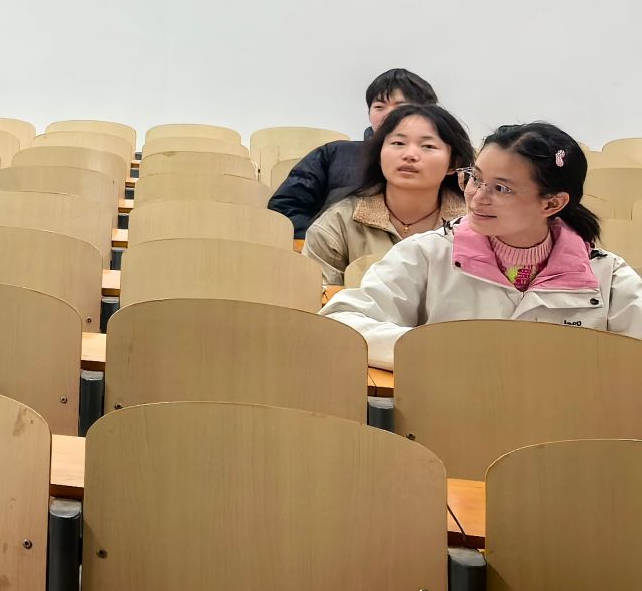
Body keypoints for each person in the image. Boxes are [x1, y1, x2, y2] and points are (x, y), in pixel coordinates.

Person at [326, 122, 642, 368]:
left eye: (501, 188)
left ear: (552, 203)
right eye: (475, 178)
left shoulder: (605, 274)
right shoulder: (426, 253)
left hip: (565, 424)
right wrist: (440, 350)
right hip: (448, 418)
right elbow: (341, 324)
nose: (477, 197)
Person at [304, 103, 473, 285]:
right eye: (398, 143)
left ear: (453, 163)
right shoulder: (338, 222)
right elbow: (317, 296)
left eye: (428, 146)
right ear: (379, 155)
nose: (410, 154)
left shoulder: (473, 223)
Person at [270, 67, 438, 234]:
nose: (387, 115)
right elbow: (285, 207)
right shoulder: (334, 154)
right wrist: (326, 241)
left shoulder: (442, 160)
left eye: (400, 106)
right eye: (379, 107)